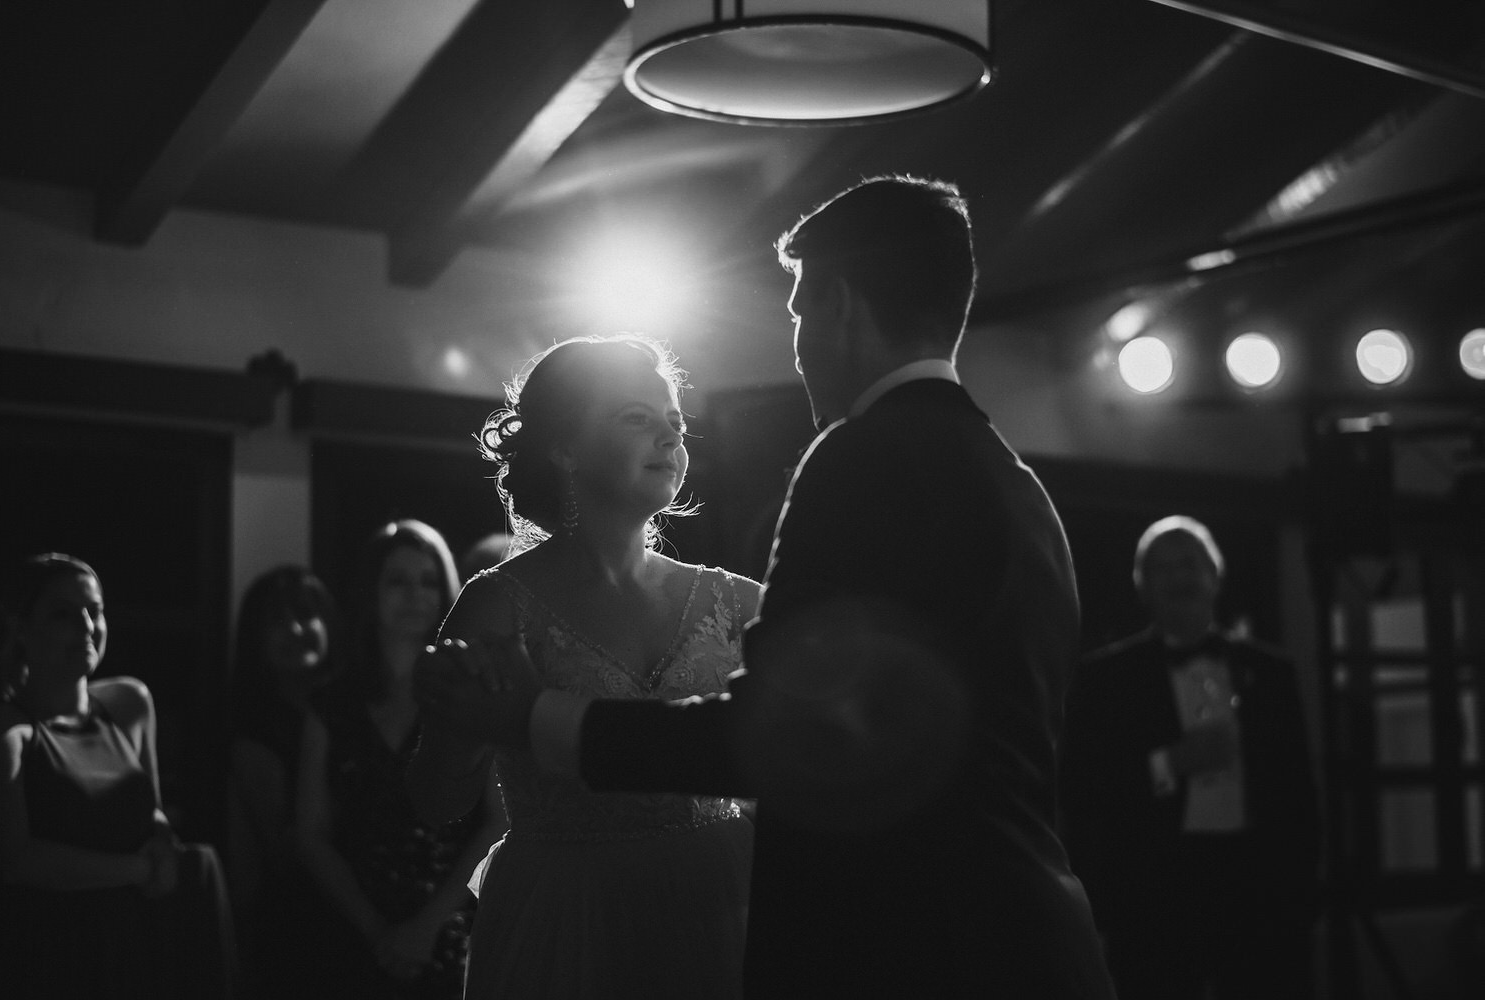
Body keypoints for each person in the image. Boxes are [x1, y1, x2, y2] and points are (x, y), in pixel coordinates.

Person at [416, 177, 1117, 998]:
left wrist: (534, 717)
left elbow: (771, 737)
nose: (797, 343)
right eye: (636, 416)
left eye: (798, 313)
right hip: (1012, 935)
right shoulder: (1016, 485)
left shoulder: (860, 461)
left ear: (842, 306)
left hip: (915, 944)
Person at [408, 334, 760, 999]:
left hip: (719, 906)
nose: (668, 435)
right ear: (563, 448)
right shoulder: (497, 605)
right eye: (637, 418)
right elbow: (435, 805)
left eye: (676, 423)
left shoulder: (740, 603)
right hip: (566, 921)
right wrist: (458, 725)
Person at [1061, 515, 1320, 1000]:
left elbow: (1298, 792)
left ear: (1216, 575)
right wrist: (1168, 764)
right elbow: (1083, 787)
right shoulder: (1106, 681)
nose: (1179, 577)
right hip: (1157, 892)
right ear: (1142, 586)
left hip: (1257, 890)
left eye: (1190, 564)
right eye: (1163, 568)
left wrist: (1301, 894)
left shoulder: (1272, 672)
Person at [0, 553, 237, 998]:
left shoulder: (129, 704)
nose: (85, 626)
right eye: (63, 613)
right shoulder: (9, 730)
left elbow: (151, 811)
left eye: (94, 611)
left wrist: (163, 848)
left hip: (139, 939)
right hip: (57, 951)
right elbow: (16, 859)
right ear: (21, 628)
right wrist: (137, 869)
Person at [294, 520, 495, 999]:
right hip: (350, 934)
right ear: (372, 591)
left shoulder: (471, 699)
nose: (415, 594)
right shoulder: (332, 705)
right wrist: (375, 929)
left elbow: (497, 823)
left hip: (448, 934)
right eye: (397, 580)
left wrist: (426, 926)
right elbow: (309, 834)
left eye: (428, 581)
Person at [225, 565, 344, 998]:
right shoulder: (251, 735)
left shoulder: (356, 711)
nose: (295, 629)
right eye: (277, 621)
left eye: (306, 615)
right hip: (298, 926)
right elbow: (285, 852)